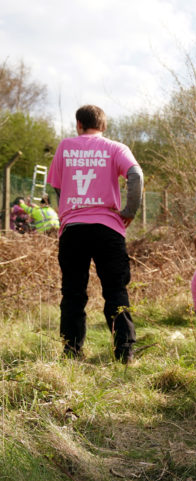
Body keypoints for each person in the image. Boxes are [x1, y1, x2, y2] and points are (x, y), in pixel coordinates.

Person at [47, 104, 144, 363]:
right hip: (108, 229)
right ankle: (125, 352)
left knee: (73, 293)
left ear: (79, 124)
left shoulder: (65, 147)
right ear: (104, 126)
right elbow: (136, 175)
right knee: (115, 290)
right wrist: (130, 210)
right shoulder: (116, 148)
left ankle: (71, 352)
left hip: (73, 230)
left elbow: (57, 188)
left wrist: (67, 213)